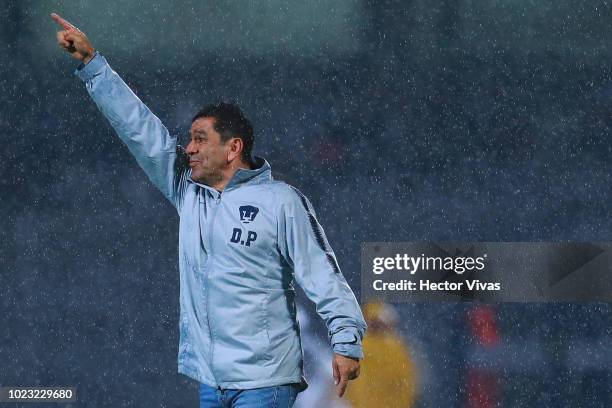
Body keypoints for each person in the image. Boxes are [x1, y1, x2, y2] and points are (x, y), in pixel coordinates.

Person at [51, 13, 367, 408]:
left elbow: (323, 274)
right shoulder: (189, 193)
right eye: (189, 139)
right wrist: (92, 65)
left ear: (233, 148)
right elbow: (141, 133)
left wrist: (346, 340)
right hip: (211, 379)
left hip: (264, 381)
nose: (190, 148)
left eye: (201, 139)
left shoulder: (281, 202)